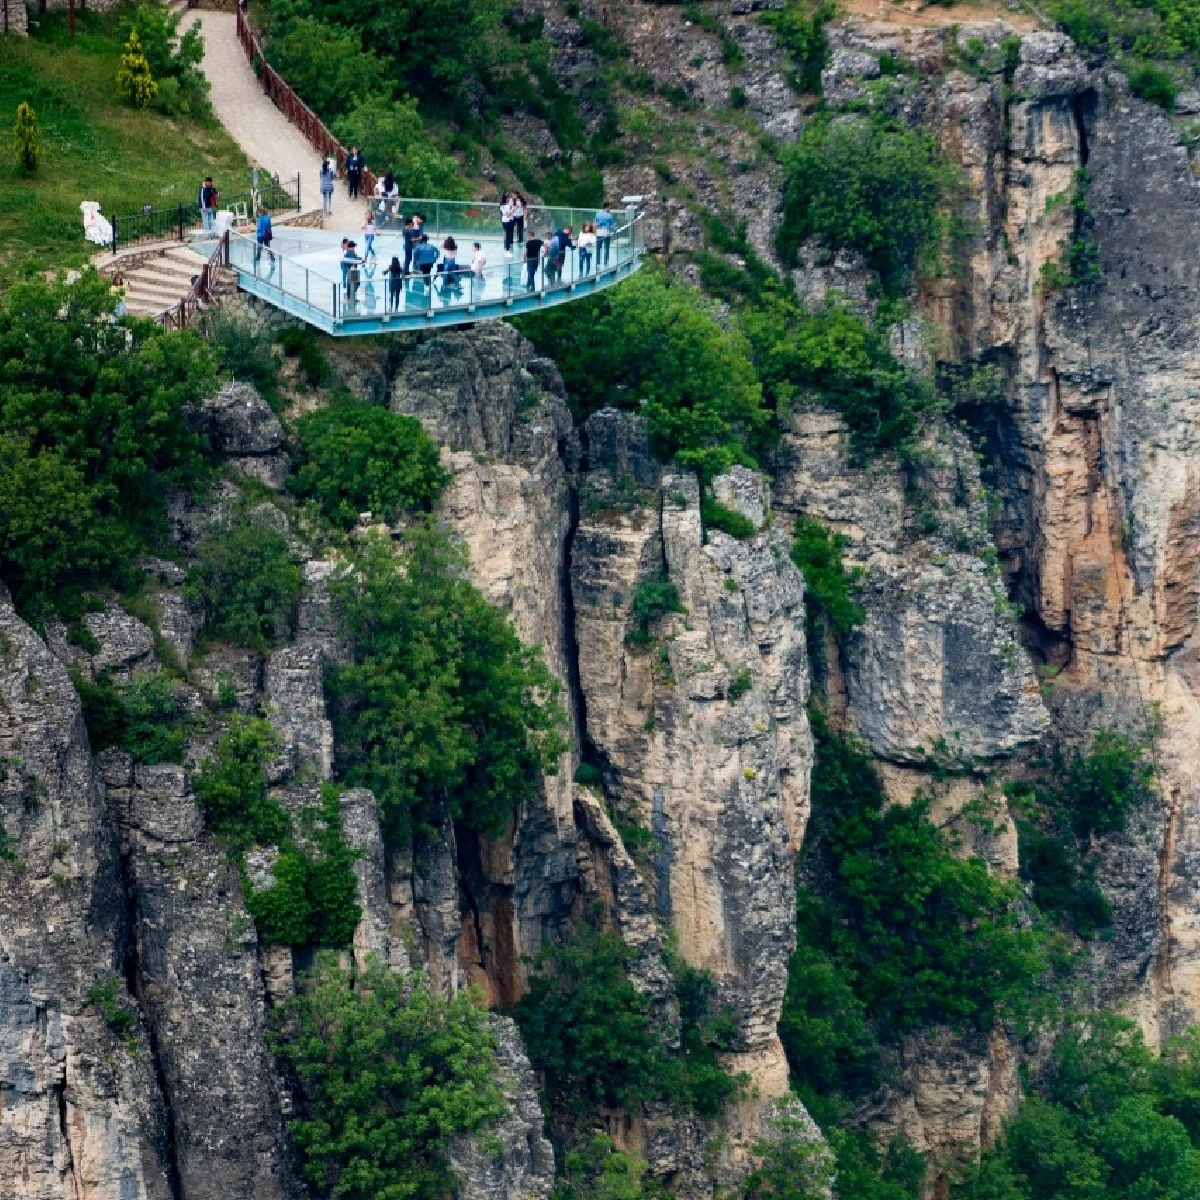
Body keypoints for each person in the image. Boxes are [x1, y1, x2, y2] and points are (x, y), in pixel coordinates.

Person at [341, 240, 362, 308]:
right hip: (351, 271)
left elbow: (355, 258)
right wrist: (360, 260)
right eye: (353, 247)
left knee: (356, 283)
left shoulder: (352, 252)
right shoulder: (349, 253)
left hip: (354, 270)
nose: (354, 248)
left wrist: (360, 259)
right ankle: (349, 297)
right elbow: (353, 260)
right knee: (351, 284)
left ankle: (351, 296)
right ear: (350, 247)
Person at [595, 200, 615, 267]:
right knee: (606, 248)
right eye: (610, 207)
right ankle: (606, 263)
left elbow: (596, 223)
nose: (610, 209)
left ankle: (598, 263)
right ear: (607, 207)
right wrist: (615, 228)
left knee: (598, 249)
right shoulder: (609, 215)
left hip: (598, 233)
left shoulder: (597, 214)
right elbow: (611, 225)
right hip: (606, 233)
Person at [255, 205, 274, 274]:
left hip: (260, 236)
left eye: (258, 212)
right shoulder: (267, 218)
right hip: (266, 235)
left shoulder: (260, 219)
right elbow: (269, 226)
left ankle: (258, 258)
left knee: (259, 248)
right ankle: (272, 258)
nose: (257, 214)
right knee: (268, 247)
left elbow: (259, 228)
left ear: (260, 212)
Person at [500, 192, 516, 256]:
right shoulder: (503, 205)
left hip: (510, 220)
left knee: (510, 235)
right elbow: (507, 214)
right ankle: (506, 248)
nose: (508, 199)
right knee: (507, 235)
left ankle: (508, 247)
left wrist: (512, 211)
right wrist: (513, 210)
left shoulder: (510, 204)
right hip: (506, 221)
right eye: (507, 197)